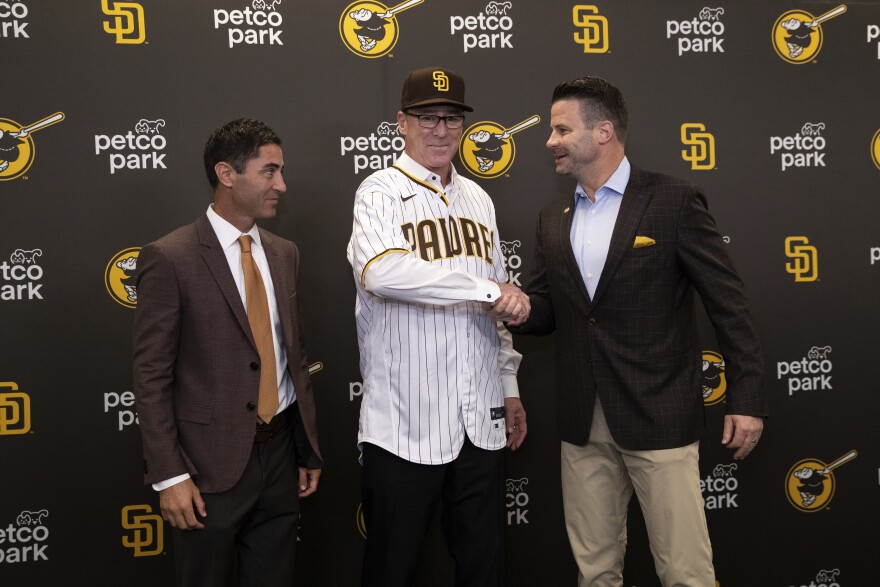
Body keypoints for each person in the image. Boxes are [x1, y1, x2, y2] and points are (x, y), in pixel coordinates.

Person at [510, 76, 768, 586]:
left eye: (561, 129)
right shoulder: (551, 218)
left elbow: (729, 305)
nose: (550, 141)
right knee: (595, 571)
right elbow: (547, 313)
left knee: (686, 572)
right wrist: (515, 306)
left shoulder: (673, 200)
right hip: (582, 422)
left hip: (659, 414)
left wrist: (747, 396)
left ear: (603, 131)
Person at [346, 66, 530, 587]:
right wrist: (486, 290)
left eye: (451, 118)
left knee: (484, 569)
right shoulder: (378, 190)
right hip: (406, 424)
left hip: (480, 418)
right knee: (393, 570)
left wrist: (510, 385)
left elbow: (498, 299)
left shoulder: (479, 199)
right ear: (402, 123)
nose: (440, 130)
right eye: (427, 117)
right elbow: (382, 271)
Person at [133, 118, 322, 586]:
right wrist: (169, 475)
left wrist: (305, 448)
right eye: (269, 171)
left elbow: (292, 357)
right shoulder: (170, 257)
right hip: (204, 471)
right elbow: (151, 374)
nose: (281, 184)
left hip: (280, 461)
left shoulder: (284, 253)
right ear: (226, 173)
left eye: (281, 172)